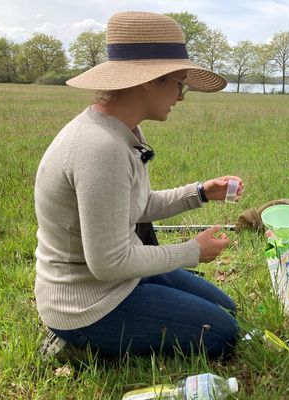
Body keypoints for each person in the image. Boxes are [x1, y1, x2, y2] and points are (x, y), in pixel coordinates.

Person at [34, 11, 242, 360]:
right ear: (150, 79)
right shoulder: (101, 148)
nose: (181, 97)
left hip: (122, 280)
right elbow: (110, 263)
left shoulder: (120, 132)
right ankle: (77, 343)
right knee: (222, 334)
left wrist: (202, 192)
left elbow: (136, 205)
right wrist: (193, 251)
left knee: (227, 309)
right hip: (88, 304)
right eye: (179, 82)